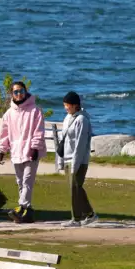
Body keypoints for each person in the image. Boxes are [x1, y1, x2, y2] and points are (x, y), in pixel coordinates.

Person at [0, 80, 46, 224]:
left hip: (31, 151)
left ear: (26, 92)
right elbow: (4, 133)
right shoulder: (9, 114)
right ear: (11, 94)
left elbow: (39, 131)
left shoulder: (35, 111)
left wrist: (36, 148)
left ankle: (21, 207)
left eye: (21, 91)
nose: (19, 94)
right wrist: (2, 150)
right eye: (16, 92)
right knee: (20, 181)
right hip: (16, 152)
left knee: (27, 180)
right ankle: (27, 212)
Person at [59, 91, 98, 227]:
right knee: (74, 188)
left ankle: (77, 218)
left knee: (76, 188)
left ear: (75, 105)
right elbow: (63, 139)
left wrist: (75, 164)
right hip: (68, 157)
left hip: (80, 160)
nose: (66, 107)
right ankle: (89, 214)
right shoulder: (67, 118)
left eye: (67, 105)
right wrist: (61, 160)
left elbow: (81, 144)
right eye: (65, 105)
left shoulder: (82, 120)